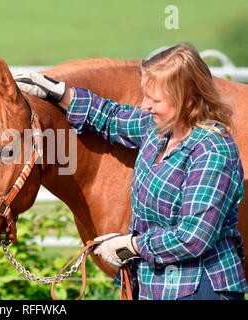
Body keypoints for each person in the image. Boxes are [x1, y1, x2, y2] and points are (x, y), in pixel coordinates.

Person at [14, 43, 248, 300]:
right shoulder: (159, 129)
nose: (145, 105)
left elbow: (192, 237)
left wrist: (132, 245)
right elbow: (111, 117)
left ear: (188, 100)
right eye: (145, 95)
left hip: (199, 289)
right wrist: (60, 93)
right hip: (153, 287)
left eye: (155, 99)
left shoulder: (212, 151)